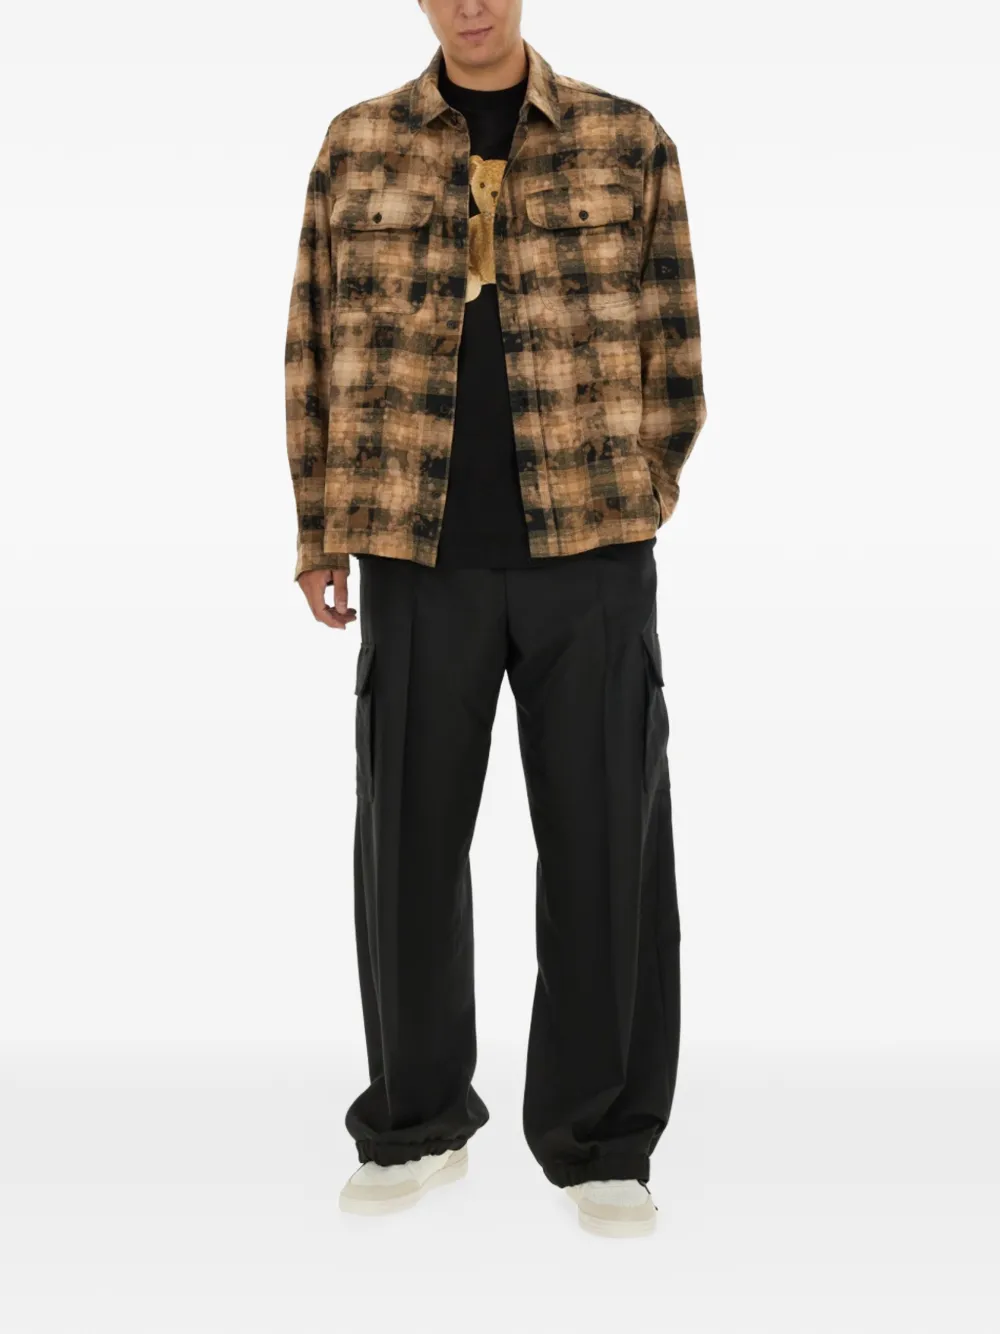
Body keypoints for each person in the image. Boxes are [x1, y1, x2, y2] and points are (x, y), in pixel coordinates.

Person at [283, 0, 706, 1237]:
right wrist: (320, 527)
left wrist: (637, 491)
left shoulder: (627, 139)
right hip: (416, 551)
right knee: (407, 848)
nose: (471, 3)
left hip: (592, 550)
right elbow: (312, 337)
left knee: (606, 848)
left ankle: (603, 1140)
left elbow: (677, 346)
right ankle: (415, 1120)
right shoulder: (357, 143)